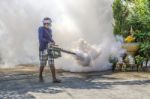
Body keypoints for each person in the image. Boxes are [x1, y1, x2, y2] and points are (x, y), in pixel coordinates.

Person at [38, 17, 61, 83]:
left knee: (51, 63)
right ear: (44, 23)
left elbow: (50, 38)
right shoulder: (41, 29)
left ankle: (54, 79)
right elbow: (40, 38)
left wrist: (53, 42)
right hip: (43, 49)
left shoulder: (50, 30)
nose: (48, 24)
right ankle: (40, 76)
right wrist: (48, 41)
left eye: (49, 23)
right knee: (42, 64)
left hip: (50, 49)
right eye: (47, 23)